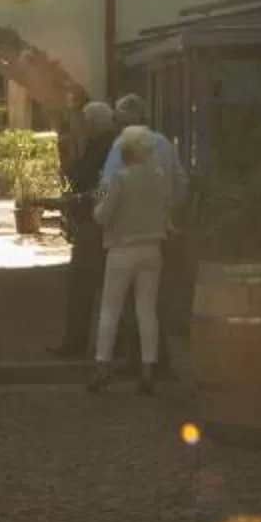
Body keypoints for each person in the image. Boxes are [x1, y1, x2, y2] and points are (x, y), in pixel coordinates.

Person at [88, 125, 178, 394]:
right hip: (153, 248)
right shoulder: (160, 178)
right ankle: (148, 370)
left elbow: (103, 214)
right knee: (147, 310)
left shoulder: (121, 178)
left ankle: (103, 367)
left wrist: (97, 200)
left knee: (110, 309)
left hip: (122, 248)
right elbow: (168, 204)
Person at [54, 100, 114, 358]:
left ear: (94, 123)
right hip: (92, 220)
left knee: (83, 283)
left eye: (86, 122)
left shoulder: (110, 149)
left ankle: (80, 344)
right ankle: (81, 342)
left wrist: (82, 199)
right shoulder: (98, 146)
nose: (82, 127)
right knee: (89, 285)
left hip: (96, 222)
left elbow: (107, 188)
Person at [96, 93, 189, 204]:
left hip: (125, 217)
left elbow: (106, 186)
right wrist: (167, 207)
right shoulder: (163, 142)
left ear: (122, 122)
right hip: (160, 217)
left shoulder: (122, 143)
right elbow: (182, 182)